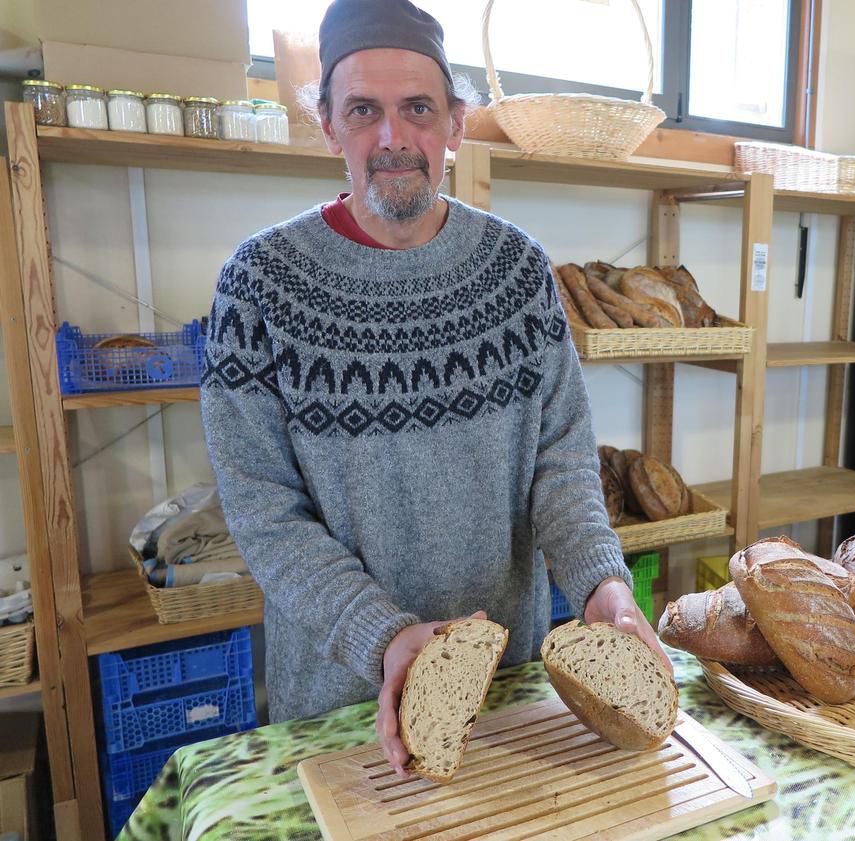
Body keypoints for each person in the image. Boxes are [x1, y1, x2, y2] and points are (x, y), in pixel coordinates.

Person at [200, 0, 668, 776]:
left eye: (418, 108)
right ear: (326, 125)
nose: (392, 138)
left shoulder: (517, 272)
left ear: (455, 123)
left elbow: (561, 463)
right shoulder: (258, 286)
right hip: (338, 709)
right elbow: (262, 511)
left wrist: (602, 586)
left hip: (504, 699)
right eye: (363, 111)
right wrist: (384, 635)